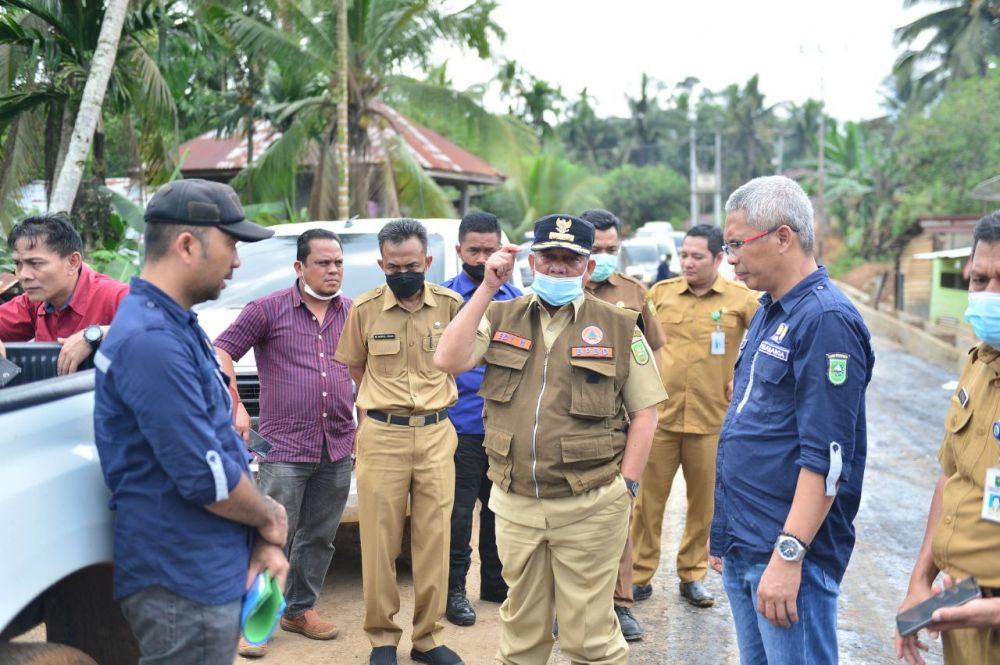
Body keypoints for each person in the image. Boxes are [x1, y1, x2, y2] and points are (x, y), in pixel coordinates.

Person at [434, 214, 667, 665]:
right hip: (516, 504)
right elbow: (448, 358)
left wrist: (627, 488)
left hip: (590, 506)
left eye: (569, 259)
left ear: (586, 266)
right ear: (533, 261)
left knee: (589, 639)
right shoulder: (501, 314)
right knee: (521, 635)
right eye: (549, 257)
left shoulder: (619, 324)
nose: (558, 268)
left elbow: (646, 413)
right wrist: (486, 288)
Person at [93, 179, 289, 665]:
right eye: (232, 244)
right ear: (186, 244)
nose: (238, 260)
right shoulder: (152, 340)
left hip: (203, 562)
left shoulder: (175, 325)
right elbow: (207, 478)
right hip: (182, 576)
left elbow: (220, 445)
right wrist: (270, 517)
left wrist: (258, 540)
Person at [709, 175, 875, 665]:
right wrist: (725, 535)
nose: (730, 257)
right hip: (749, 543)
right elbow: (749, 422)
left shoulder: (825, 319)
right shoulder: (769, 310)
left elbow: (827, 457)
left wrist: (788, 557)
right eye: (727, 245)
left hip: (786, 554)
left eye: (737, 244)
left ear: (784, 237)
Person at [214, 228, 354, 658]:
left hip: (338, 444)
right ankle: (252, 621)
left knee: (320, 536)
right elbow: (220, 351)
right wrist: (235, 403)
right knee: (272, 536)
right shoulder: (267, 309)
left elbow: (369, 370)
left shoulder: (353, 311)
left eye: (337, 263)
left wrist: (365, 423)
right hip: (285, 448)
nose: (332, 270)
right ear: (300, 267)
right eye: (322, 263)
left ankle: (299, 609)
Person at [333, 219, 465, 665]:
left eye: (412, 264)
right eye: (393, 265)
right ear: (380, 263)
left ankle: (428, 638)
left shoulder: (452, 305)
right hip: (383, 436)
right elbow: (356, 368)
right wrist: (383, 408)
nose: (403, 272)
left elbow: (462, 360)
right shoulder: (364, 309)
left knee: (433, 540)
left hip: (435, 435)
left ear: (427, 261)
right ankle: (382, 639)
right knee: (378, 542)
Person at [631, 224, 759, 611]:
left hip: (712, 421)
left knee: (704, 505)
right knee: (648, 503)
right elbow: (637, 344)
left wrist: (743, 371)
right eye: (684, 254)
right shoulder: (660, 295)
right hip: (661, 419)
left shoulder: (743, 300)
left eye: (697, 256)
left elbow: (765, 342)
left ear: (719, 259)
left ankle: (693, 574)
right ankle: (638, 575)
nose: (688, 262)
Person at [895, 211, 1000, 665]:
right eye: (980, 280)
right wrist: (920, 584)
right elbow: (951, 478)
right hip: (963, 604)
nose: (989, 295)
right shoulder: (978, 364)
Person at [578, 207, 666, 641]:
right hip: (570, 422)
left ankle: (619, 603)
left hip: (618, 424)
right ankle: (570, 607)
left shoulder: (633, 293)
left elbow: (655, 350)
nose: (606, 256)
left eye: (613, 248)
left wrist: (648, 411)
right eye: (597, 249)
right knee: (567, 522)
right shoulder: (556, 288)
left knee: (617, 514)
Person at [439, 212, 521, 627]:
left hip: (505, 428)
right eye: (475, 250)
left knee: (500, 510)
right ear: (459, 252)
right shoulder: (443, 299)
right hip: (459, 427)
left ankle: (495, 583)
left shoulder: (518, 299)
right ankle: (454, 589)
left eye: (491, 249)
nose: (484, 258)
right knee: (456, 514)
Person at [0, 213, 128, 374]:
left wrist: (97, 334)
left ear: (73, 262)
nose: (23, 275)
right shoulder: (33, 303)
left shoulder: (114, 296)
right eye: (18, 264)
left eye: (36, 263)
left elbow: (164, 326)